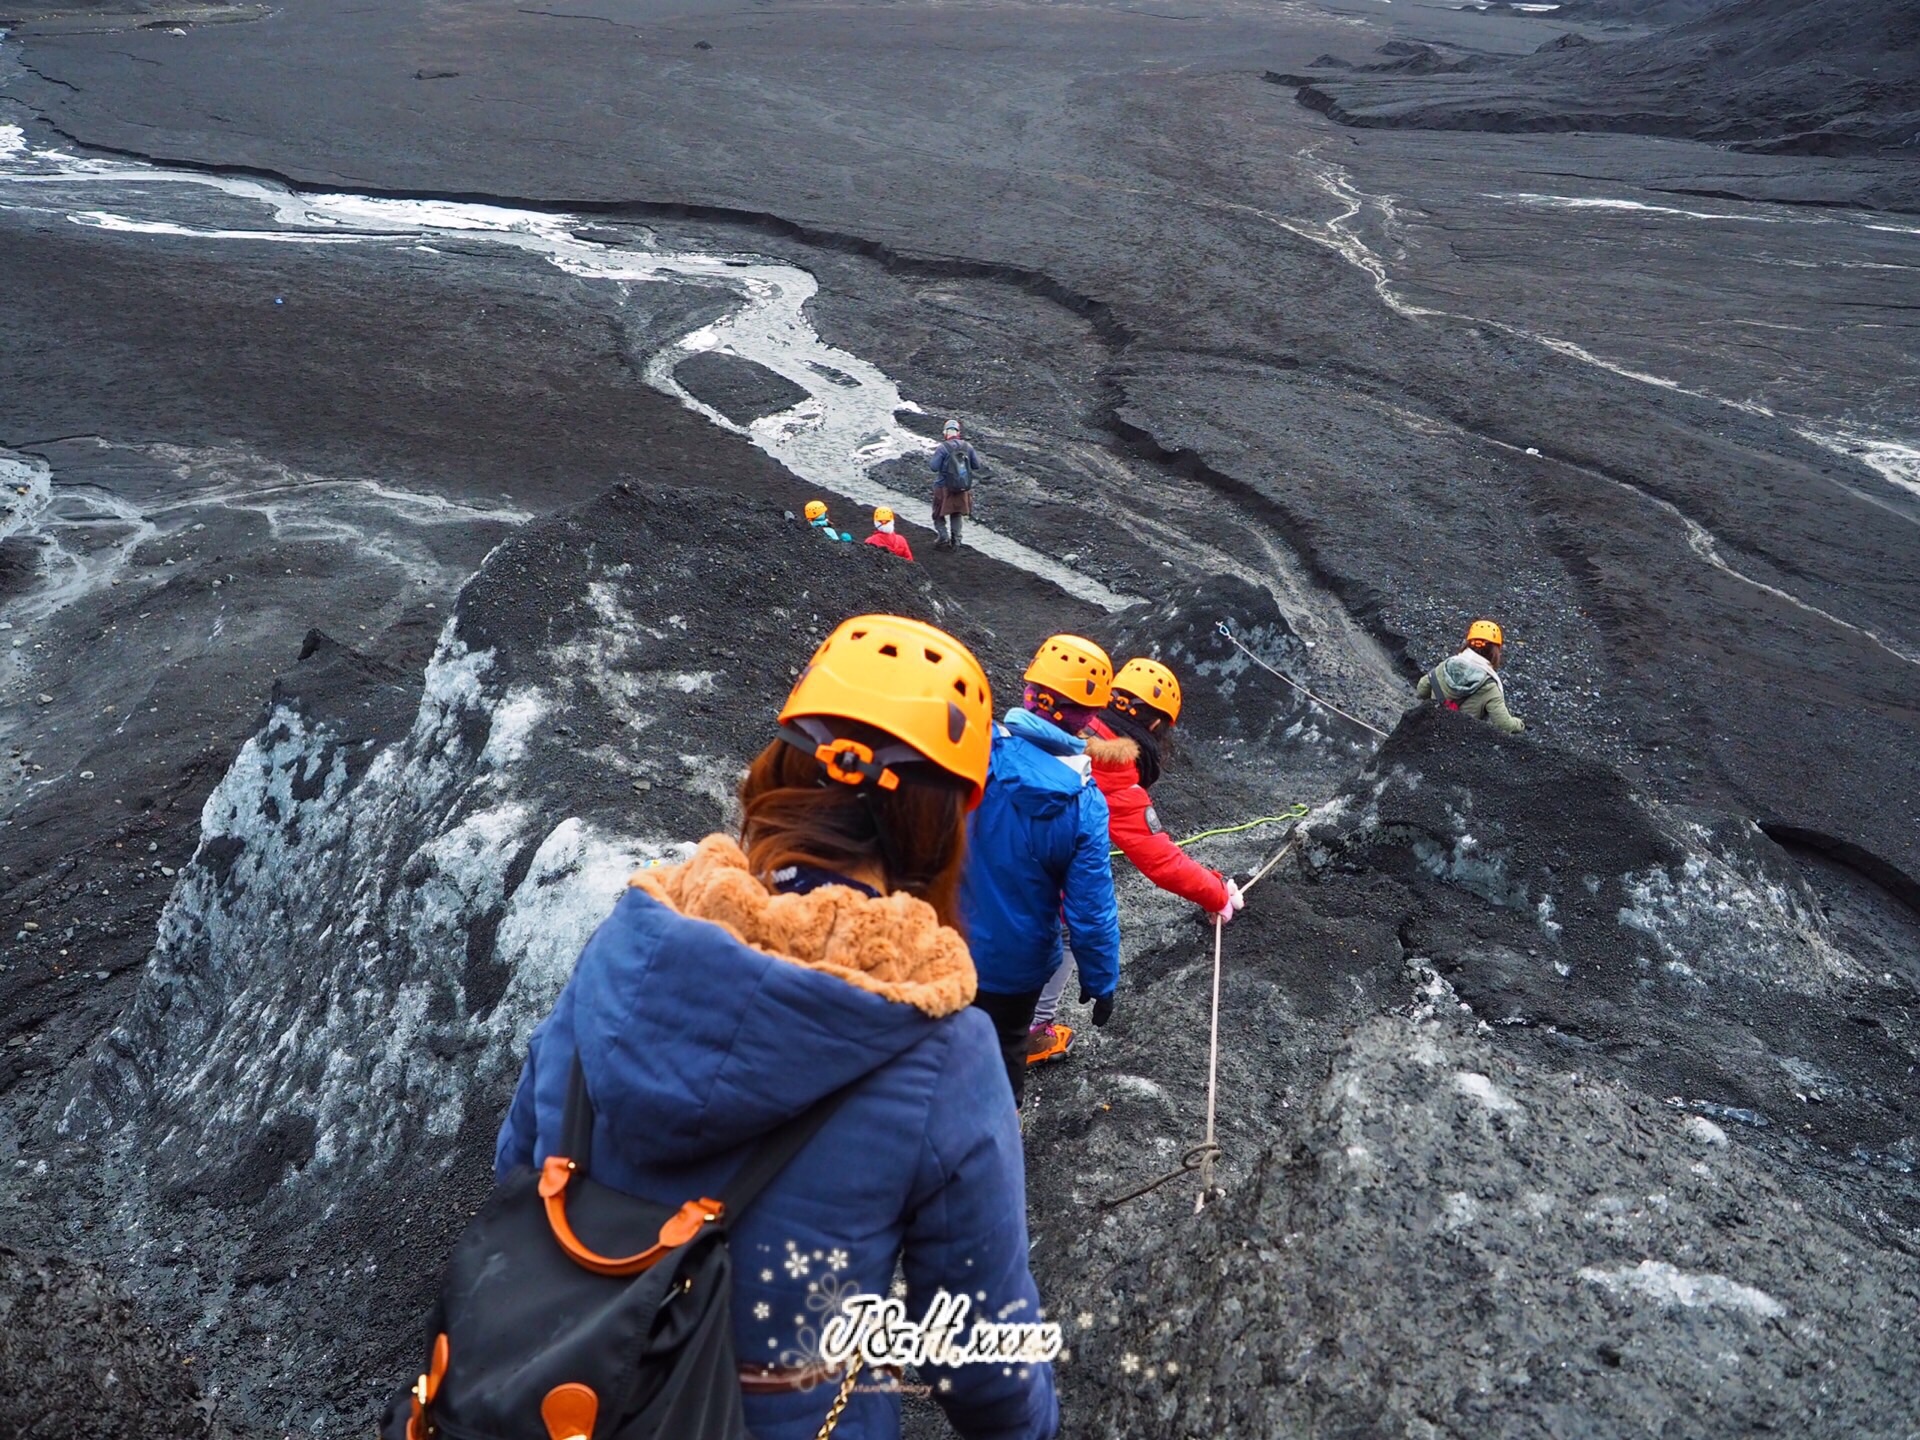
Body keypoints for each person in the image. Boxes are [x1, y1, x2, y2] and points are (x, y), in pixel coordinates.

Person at [495, 615, 1057, 1440]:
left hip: (558, 1401)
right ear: (954, 816)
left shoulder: (628, 944)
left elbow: (517, 1172)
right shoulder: (944, 1049)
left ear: (784, 766)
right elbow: (985, 1362)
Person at [1027, 657, 1243, 1065]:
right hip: (1034, 877)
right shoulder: (1112, 767)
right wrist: (1216, 892)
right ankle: (1034, 1033)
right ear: (1157, 726)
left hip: (989, 858)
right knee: (1071, 929)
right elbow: (1157, 857)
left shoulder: (1060, 726)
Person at [959, 633, 1121, 1103]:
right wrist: (1100, 978)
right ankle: (988, 1161)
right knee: (1002, 1062)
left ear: (1028, 691)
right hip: (1014, 968)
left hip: (939, 938)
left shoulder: (972, 745)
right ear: (1089, 718)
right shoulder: (1085, 804)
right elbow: (1090, 910)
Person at [1416, 618, 1524, 733]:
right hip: (1461, 738)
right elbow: (1504, 724)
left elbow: (1421, 690)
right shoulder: (1490, 687)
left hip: (1430, 730)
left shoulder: (1445, 666)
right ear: (1495, 651)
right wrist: (1519, 724)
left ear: (1468, 643)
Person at [928, 419, 985, 552]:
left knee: (938, 513)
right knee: (956, 513)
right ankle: (956, 541)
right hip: (962, 488)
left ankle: (943, 538)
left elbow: (933, 467)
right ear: (958, 432)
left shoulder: (943, 448)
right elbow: (977, 465)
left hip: (943, 487)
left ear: (945, 433)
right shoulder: (967, 447)